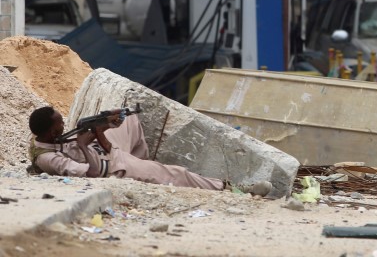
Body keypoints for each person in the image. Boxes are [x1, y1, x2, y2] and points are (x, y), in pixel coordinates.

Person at [28, 106, 271, 196]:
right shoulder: (48, 159)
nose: (63, 125)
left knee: (128, 118)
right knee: (177, 173)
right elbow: (92, 173)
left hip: (107, 152)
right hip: (113, 167)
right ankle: (231, 188)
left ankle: (143, 167)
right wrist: (84, 143)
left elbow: (86, 141)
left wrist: (104, 127)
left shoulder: (51, 137)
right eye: (60, 123)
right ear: (50, 133)